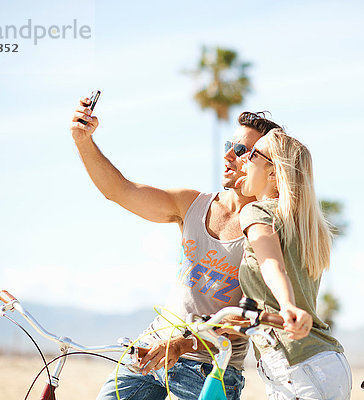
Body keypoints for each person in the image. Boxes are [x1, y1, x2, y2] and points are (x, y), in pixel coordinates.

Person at [69, 99, 282, 400]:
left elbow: (246, 317)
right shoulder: (191, 204)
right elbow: (120, 191)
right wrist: (83, 141)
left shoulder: (266, 231)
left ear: (266, 164)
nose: (227, 156)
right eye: (227, 145)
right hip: (151, 349)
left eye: (240, 151)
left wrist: (182, 345)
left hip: (211, 369)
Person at [235, 128, 352, 400]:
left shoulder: (256, 212)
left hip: (297, 366)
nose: (244, 159)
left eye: (252, 154)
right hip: (328, 362)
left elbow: (271, 264)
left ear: (273, 172)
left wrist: (287, 305)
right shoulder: (307, 227)